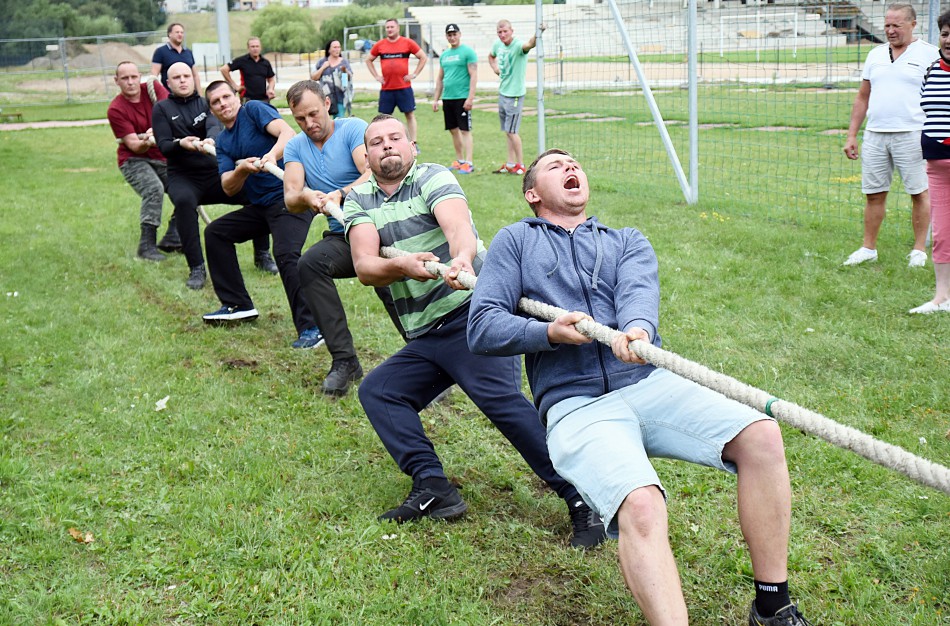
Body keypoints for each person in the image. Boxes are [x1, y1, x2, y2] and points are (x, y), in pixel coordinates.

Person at [468, 149, 812, 626]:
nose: (571, 168)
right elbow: (482, 326)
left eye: (574, 164)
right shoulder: (515, 242)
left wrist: (637, 331)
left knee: (762, 436)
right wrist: (548, 333)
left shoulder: (625, 241)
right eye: (554, 166)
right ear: (531, 194)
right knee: (643, 505)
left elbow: (637, 294)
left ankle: (771, 605)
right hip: (576, 405)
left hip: (650, 382)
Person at [343, 115, 606, 549]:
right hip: (427, 332)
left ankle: (581, 496)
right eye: (376, 142)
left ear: (412, 146)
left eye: (395, 138)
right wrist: (401, 265)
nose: (387, 146)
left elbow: (458, 230)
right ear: (367, 156)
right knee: (380, 391)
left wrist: (462, 258)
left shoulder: (431, 176)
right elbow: (366, 266)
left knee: (502, 405)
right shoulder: (359, 200)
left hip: (473, 315)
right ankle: (434, 488)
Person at [283, 81, 406, 394]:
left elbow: (370, 173)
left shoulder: (354, 129)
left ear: (327, 103)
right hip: (344, 235)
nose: (309, 123)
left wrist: (340, 193)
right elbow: (291, 196)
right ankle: (345, 362)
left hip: (381, 229)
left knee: (390, 284)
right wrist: (309, 197)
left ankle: (428, 357)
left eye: (313, 113)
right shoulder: (296, 147)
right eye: (300, 119)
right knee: (310, 264)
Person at [200, 81, 322, 349]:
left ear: (236, 97)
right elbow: (227, 187)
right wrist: (242, 170)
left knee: (286, 254)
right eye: (216, 102)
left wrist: (271, 155)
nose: (223, 104)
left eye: (226, 97)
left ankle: (312, 327)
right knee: (216, 233)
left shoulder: (253, 110)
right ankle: (237, 304)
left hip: (291, 198)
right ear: (212, 110)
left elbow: (287, 133)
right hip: (262, 207)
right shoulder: (223, 141)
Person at [152, 62, 275, 290]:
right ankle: (197, 268)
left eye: (186, 75)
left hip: (213, 172)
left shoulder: (207, 103)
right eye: (176, 77)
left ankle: (263, 254)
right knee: (183, 202)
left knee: (253, 193)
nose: (182, 80)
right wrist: (182, 143)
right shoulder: (162, 109)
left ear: (193, 78)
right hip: (183, 177)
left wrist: (209, 139)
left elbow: (213, 125)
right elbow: (164, 146)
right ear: (167, 83)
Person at [842, 3, 936, 268]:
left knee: (919, 192)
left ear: (913, 24)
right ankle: (868, 248)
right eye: (887, 26)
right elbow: (862, 97)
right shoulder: (875, 55)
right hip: (875, 135)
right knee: (874, 194)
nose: (891, 31)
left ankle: (919, 250)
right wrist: (852, 134)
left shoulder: (930, 54)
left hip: (914, 134)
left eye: (897, 25)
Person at [107, 61, 181, 261]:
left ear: (139, 76)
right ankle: (146, 246)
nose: (130, 82)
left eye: (133, 77)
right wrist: (148, 140)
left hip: (162, 157)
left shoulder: (153, 90)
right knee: (153, 189)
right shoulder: (116, 109)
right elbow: (133, 145)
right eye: (125, 78)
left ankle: (173, 237)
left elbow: (171, 111)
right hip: (133, 160)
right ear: (117, 81)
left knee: (186, 188)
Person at [911, 9, 950, 313]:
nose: (949, 40)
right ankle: (942, 298)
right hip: (937, 165)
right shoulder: (931, 71)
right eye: (945, 33)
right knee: (942, 234)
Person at [488, 20, 544, 176]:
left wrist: (538, 33)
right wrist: (495, 69)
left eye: (505, 31)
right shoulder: (497, 45)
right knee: (507, 131)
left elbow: (530, 45)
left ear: (512, 31)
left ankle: (521, 165)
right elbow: (491, 56)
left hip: (515, 95)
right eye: (500, 32)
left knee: (512, 131)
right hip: (503, 92)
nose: (502, 35)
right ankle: (510, 164)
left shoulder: (519, 46)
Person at [365, 19, 427, 144]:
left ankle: (413, 142)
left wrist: (414, 74)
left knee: (409, 115)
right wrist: (376, 76)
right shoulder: (380, 45)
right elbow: (368, 60)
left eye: (392, 27)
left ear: (398, 28)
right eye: (387, 27)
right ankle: (385, 141)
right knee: (383, 119)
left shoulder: (407, 42)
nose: (389, 29)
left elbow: (423, 57)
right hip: (387, 89)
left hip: (404, 87)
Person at [432, 23, 477, 175]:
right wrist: (436, 99)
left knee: (465, 130)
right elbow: (440, 78)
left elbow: (473, 76)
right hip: (448, 98)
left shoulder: (468, 52)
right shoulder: (444, 55)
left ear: (459, 34)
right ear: (446, 37)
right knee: (453, 130)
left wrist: (470, 98)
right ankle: (460, 160)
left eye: (454, 34)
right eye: (449, 35)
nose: (452, 37)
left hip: (462, 97)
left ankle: (469, 162)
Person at [219, 37, 275, 104]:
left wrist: (270, 89)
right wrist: (234, 86)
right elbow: (224, 69)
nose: (255, 49)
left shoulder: (265, 62)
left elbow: (271, 79)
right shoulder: (242, 60)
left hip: (263, 98)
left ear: (260, 47)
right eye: (252, 46)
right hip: (247, 98)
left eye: (257, 46)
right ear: (248, 48)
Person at [151, 23, 199, 92]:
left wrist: (200, 96)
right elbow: (154, 76)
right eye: (177, 32)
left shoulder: (188, 52)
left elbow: (195, 76)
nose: (180, 34)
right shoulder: (160, 52)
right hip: (169, 95)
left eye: (182, 32)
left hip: (190, 95)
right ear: (169, 34)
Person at [311, 40, 353, 119]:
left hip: (340, 97)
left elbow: (349, 78)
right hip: (324, 97)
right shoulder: (321, 62)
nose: (337, 49)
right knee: (323, 121)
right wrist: (323, 67)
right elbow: (313, 77)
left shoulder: (344, 62)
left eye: (339, 47)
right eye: (335, 47)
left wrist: (345, 71)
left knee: (339, 121)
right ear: (329, 49)